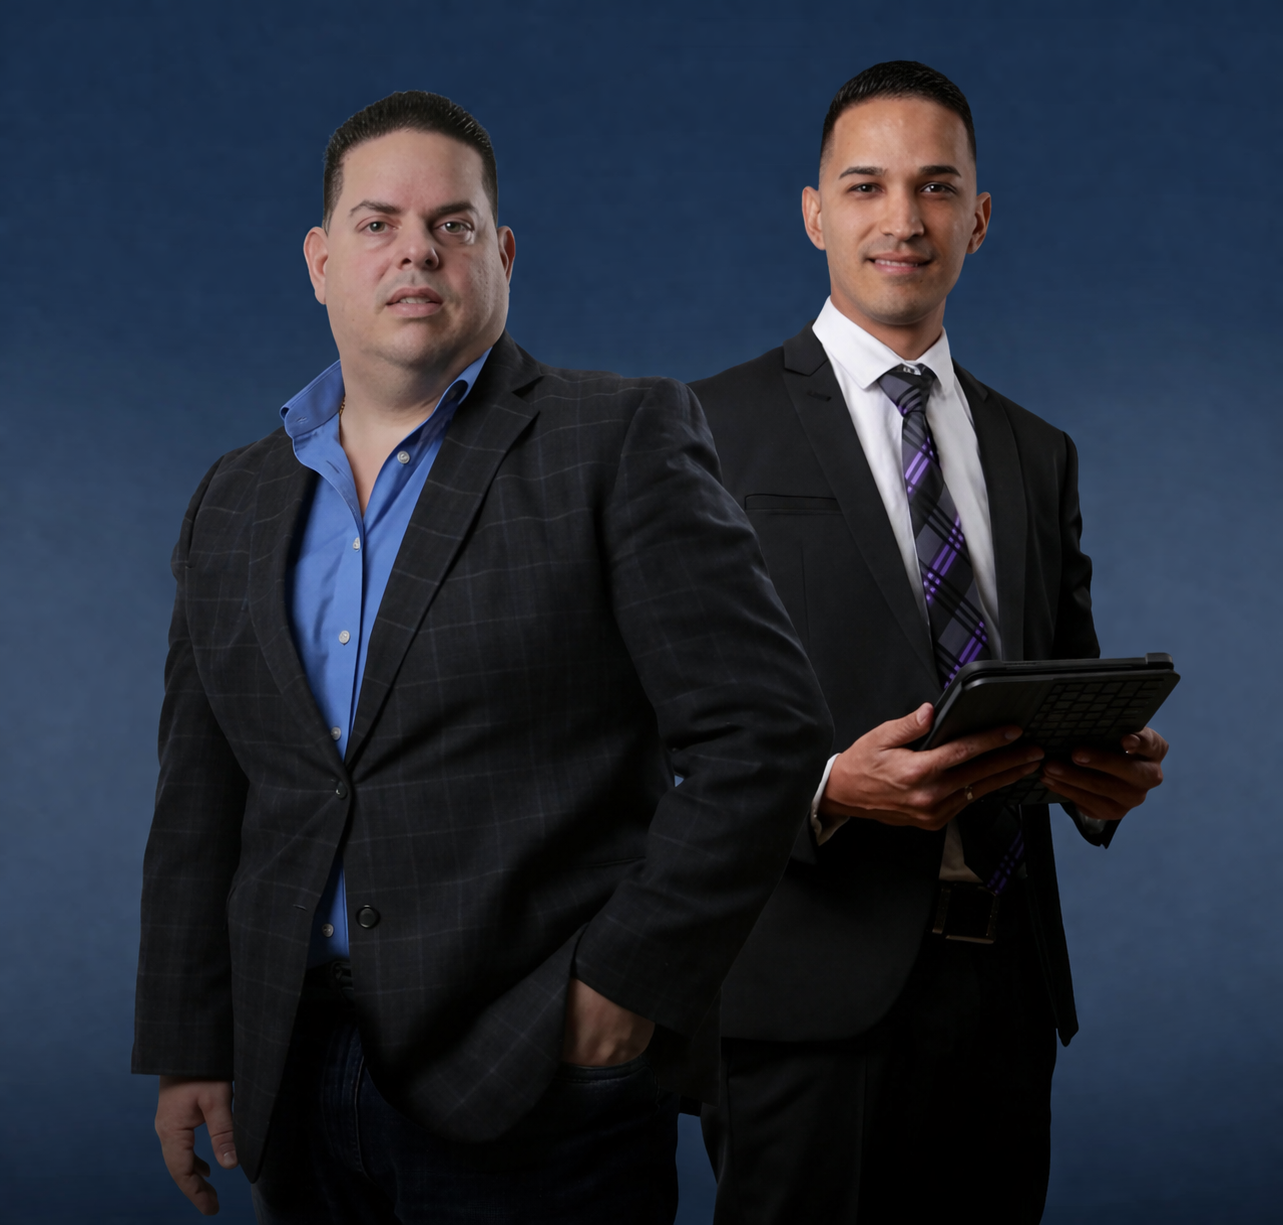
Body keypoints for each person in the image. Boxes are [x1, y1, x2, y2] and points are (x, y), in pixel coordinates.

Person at [131, 90, 831, 1225]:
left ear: (499, 256)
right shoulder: (234, 497)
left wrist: (619, 986)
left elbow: (765, 738)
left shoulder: (615, 440)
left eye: (450, 224)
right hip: (291, 1073)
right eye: (377, 223)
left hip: (534, 1076)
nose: (415, 249)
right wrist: (190, 1040)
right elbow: (200, 799)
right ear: (320, 261)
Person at [693, 61, 1170, 1224]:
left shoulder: (1035, 450)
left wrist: (1101, 774)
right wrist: (822, 791)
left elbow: (1057, 681)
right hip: (803, 996)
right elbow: (633, 725)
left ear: (978, 217)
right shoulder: (702, 429)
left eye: (935, 186)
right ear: (813, 213)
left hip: (1003, 991)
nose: (902, 219)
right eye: (865, 186)